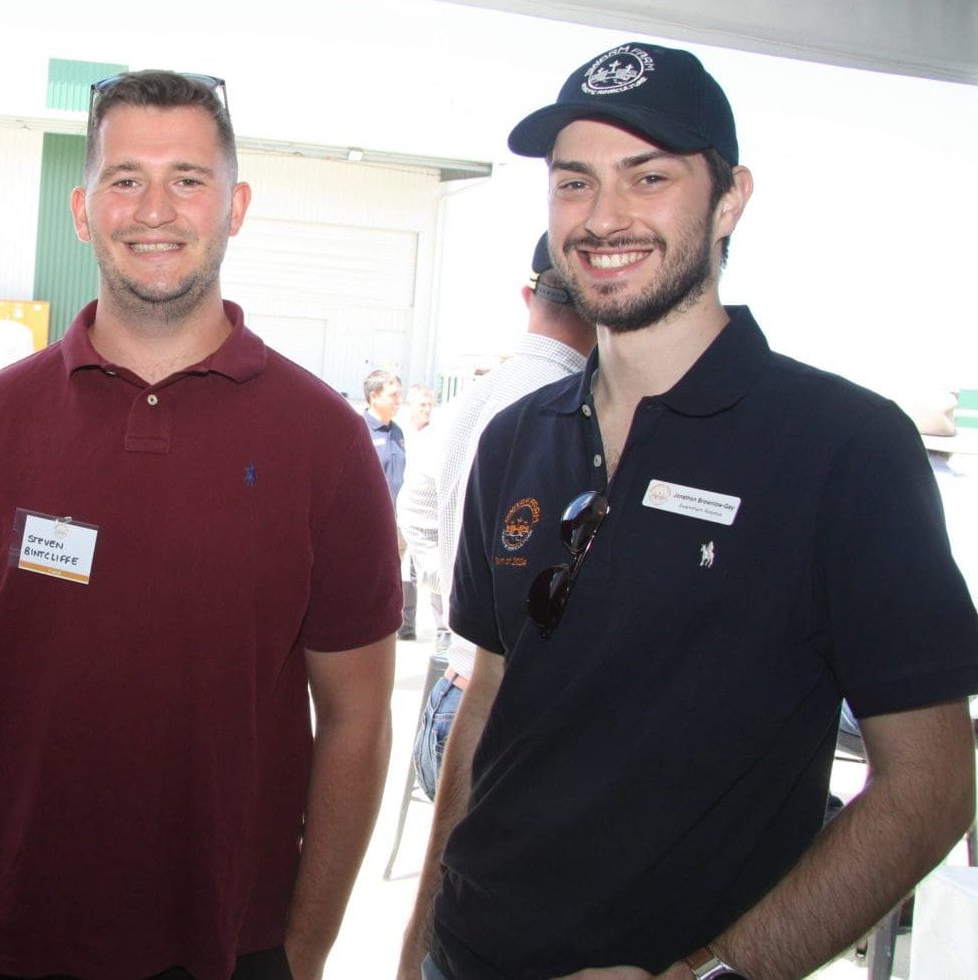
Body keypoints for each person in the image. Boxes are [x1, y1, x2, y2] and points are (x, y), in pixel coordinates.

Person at [398, 42, 978, 980]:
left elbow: (933, 781)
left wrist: (715, 975)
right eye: (574, 183)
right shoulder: (515, 437)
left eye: (649, 177)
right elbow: (487, 710)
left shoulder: (845, 448)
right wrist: (414, 945)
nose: (604, 218)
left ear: (731, 199)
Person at [0, 70, 398, 980]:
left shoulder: (326, 441)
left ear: (236, 205)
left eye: (189, 178)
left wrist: (302, 955)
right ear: (81, 210)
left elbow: (357, 717)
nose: (156, 208)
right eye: (125, 179)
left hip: (225, 952)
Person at [407, 233, 594, 800]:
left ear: (527, 295)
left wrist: (453, 598)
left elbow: (414, 507)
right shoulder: (580, 408)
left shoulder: (469, 400)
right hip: (509, 714)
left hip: (452, 693)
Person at [398, 384, 440, 642]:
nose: (425, 410)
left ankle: (443, 627)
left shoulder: (437, 435)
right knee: (400, 570)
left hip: (426, 515)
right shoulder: (400, 434)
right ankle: (405, 623)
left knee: (431, 568)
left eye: (429, 405)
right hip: (398, 510)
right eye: (421, 405)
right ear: (410, 406)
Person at [363, 368, 406, 504]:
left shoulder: (397, 432)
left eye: (400, 395)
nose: (399, 400)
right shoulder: (361, 430)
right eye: (393, 395)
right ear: (374, 396)